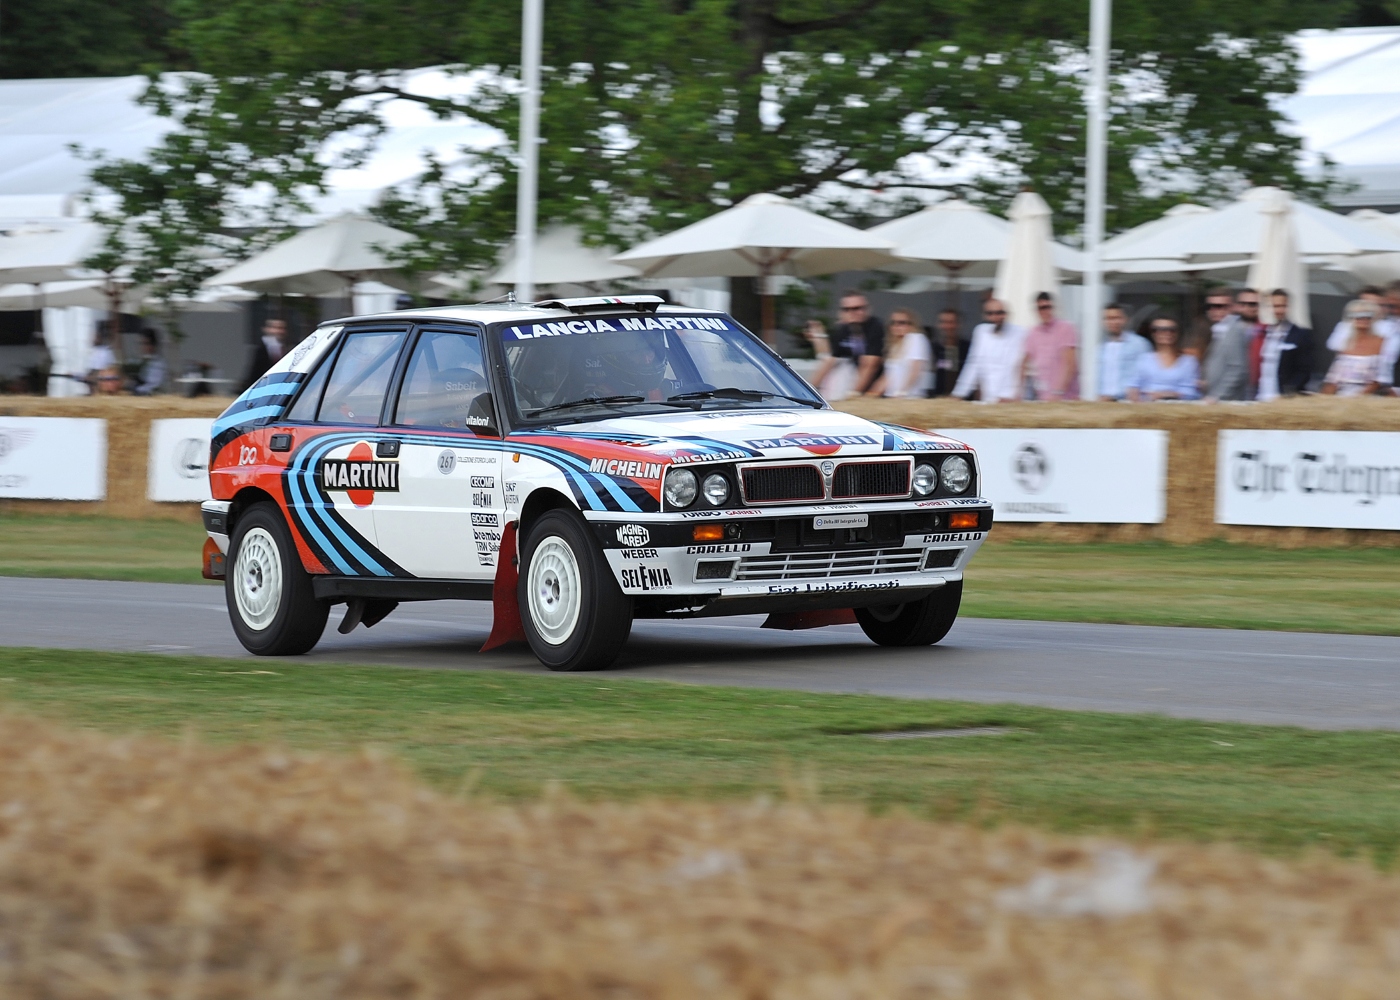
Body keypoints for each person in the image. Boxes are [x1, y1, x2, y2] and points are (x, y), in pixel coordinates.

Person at [809, 292, 884, 398]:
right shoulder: (844, 330)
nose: (852, 312)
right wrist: (809, 390)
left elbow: (870, 364)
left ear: (867, 309)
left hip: (881, 388)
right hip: (862, 387)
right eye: (846, 309)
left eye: (857, 308)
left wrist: (854, 394)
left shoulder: (875, 327)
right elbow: (829, 361)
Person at [952, 298, 1026, 403]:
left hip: (1010, 399)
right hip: (988, 399)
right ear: (984, 315)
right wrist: (959, 393)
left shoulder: (1020, 333)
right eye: (990, 313)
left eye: (1000, 313)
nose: (995, 317)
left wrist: (1017, 395)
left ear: (1007, 314)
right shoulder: (981, 332)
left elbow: (1023, 366)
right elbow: (973, 364)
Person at [1321, 300, 1392, 397]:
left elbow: (1381, 379)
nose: (1363, 319)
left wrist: (1357, 399)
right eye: (1358, 316)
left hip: (1369, 397)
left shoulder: (1383, 342)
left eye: (1368, 316)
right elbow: (1333, 379)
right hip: (1341, 397)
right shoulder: (1345, 342)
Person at [1019, 291, 1078, 400]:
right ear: (1036, 310)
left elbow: (1070, 364)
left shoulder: (1065, 328)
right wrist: (1018, 393)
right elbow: (1022, 363)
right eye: (1041, 308)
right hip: (1044, 397)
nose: (1045, 311)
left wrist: (1058, 392)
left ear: (1053, 307)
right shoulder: (1033, 332)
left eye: (1047, 307)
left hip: (1066, 397)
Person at [1257, 288, 1314, 400]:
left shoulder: (1300, 335)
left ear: (1289, 307)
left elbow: (1304, 370)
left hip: (1281, 397)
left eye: (1282, 306)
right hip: (1259, 395)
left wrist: (1288, 392)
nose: (1278, 311)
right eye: (1274, 306)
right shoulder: (1261, 332)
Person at [1127, 319, 1199, 401]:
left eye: (1172, 330)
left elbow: (1192, 392)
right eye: (1160, 330)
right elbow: (1133, 386)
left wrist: (1165, 395)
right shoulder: (1143, 360)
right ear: (1153, 333)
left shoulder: (1188, 362)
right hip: (1147, 407)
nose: (1167, 333)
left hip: (1178, 407)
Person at [1202, 288, 1254, 402]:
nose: (1214, 310)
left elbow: (1237, 369)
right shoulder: (1218, 329)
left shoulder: (1235, 330)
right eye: (1209, 306)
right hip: (1218, 398)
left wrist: (1218, 396)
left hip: (1228, 400)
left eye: (1219, 306)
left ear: (1232, 307)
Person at [867, 308, 932, 398]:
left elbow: (915, 371)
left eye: (902, 323)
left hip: (911, 398)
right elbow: (888, 377)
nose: (896, 326)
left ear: (911, 324)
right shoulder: (894, 346)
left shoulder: (916, 338)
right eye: (893, 323)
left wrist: (901, 393)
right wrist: (870, 395)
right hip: (894, 398)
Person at [1097, 303, 1151, 401]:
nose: (1112, 322)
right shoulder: (1101, 347)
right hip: (1104, 402)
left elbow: (1148, 372)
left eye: (1116, 318)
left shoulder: (1139, 344)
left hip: (1128, 401)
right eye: (1108, 318)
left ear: (1126, 319)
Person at [931, 308, 970, 397]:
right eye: (943, 322)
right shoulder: (932, 348)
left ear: (958, 324)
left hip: (963, 401)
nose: (947, 326)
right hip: (936, 401)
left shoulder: (968, 348)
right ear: (938, 325)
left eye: (951, 322)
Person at [242, 317, 288, 391]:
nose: (278, 331)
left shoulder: (284, 348)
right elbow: (254, 371)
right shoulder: (260, 349)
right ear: (266, 329)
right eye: (275, 328)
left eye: (281, 328)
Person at [131, 328, 166, 396]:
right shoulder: (138, 360)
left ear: (153, 345)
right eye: (141, 344)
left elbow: (154, 385)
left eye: (145, 343)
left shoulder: (158, 363)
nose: (142, 347)